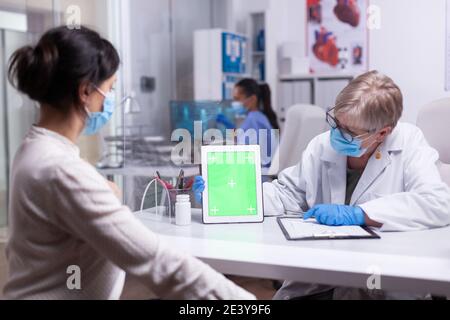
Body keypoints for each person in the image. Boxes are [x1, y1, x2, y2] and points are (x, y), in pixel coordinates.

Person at [3, 26, 255, 300]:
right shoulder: (59, 169)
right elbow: (160, 264)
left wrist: (100, 191)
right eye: (109, 89)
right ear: (85, 91)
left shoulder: (35, 148)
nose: (109, 100)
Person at [195, 70, 450, 299]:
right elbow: (287, 194)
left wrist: (360, 214)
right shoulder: (323, 144)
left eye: (349, 131)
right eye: (336, 122)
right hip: (323, 277)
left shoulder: (409, 144)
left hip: (382, 283)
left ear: (382, 133)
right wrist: (229, 195)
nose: (337, 133)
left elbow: (437, 203)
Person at [217, 79, 280, 168]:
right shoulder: (259, 117)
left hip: (260, 174)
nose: (234, 103)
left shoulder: (254, 120)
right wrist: (231, 128)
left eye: (237, 99)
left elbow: (242, 152)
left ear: (253, 99)